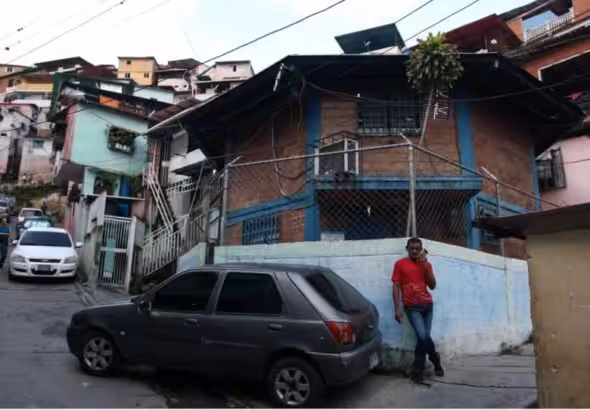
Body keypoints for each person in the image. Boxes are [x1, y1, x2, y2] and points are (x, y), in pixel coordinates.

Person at [392, 237, 444, 383]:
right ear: (407, 248)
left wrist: (426, 266)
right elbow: (396, 286)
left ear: (421, 250)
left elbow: (432, 286)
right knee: (423, 337)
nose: (414, 251)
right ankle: (434, 362)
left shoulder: (426, 264)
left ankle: (418, 372)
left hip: (427, 306)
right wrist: (396, 308)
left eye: (417, 248)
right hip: (412, 307)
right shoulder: (400, 264)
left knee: (424, 338)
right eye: (412, 248)